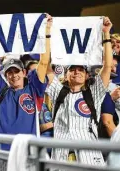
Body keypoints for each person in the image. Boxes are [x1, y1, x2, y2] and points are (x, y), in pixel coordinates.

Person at [45, 17, 113, 165]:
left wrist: (106, 34)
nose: (77, 72)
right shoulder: (58, 90)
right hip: (60, 156)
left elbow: (107, 66)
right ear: (66, 74)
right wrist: (48, 32)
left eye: (81, 69)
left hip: (89, 156)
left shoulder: (94, 92)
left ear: (88, 74)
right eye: (72, 69)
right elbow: (46, 66)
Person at [0, 14, 52, 150]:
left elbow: (43, 62)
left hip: (27, 152)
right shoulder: (0, 90)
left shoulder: (34, 90)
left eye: (17, 71)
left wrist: (47, 32)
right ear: (6, 76)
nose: (14, 76)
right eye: (10, 73)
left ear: (24, 73)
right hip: (1, 154)